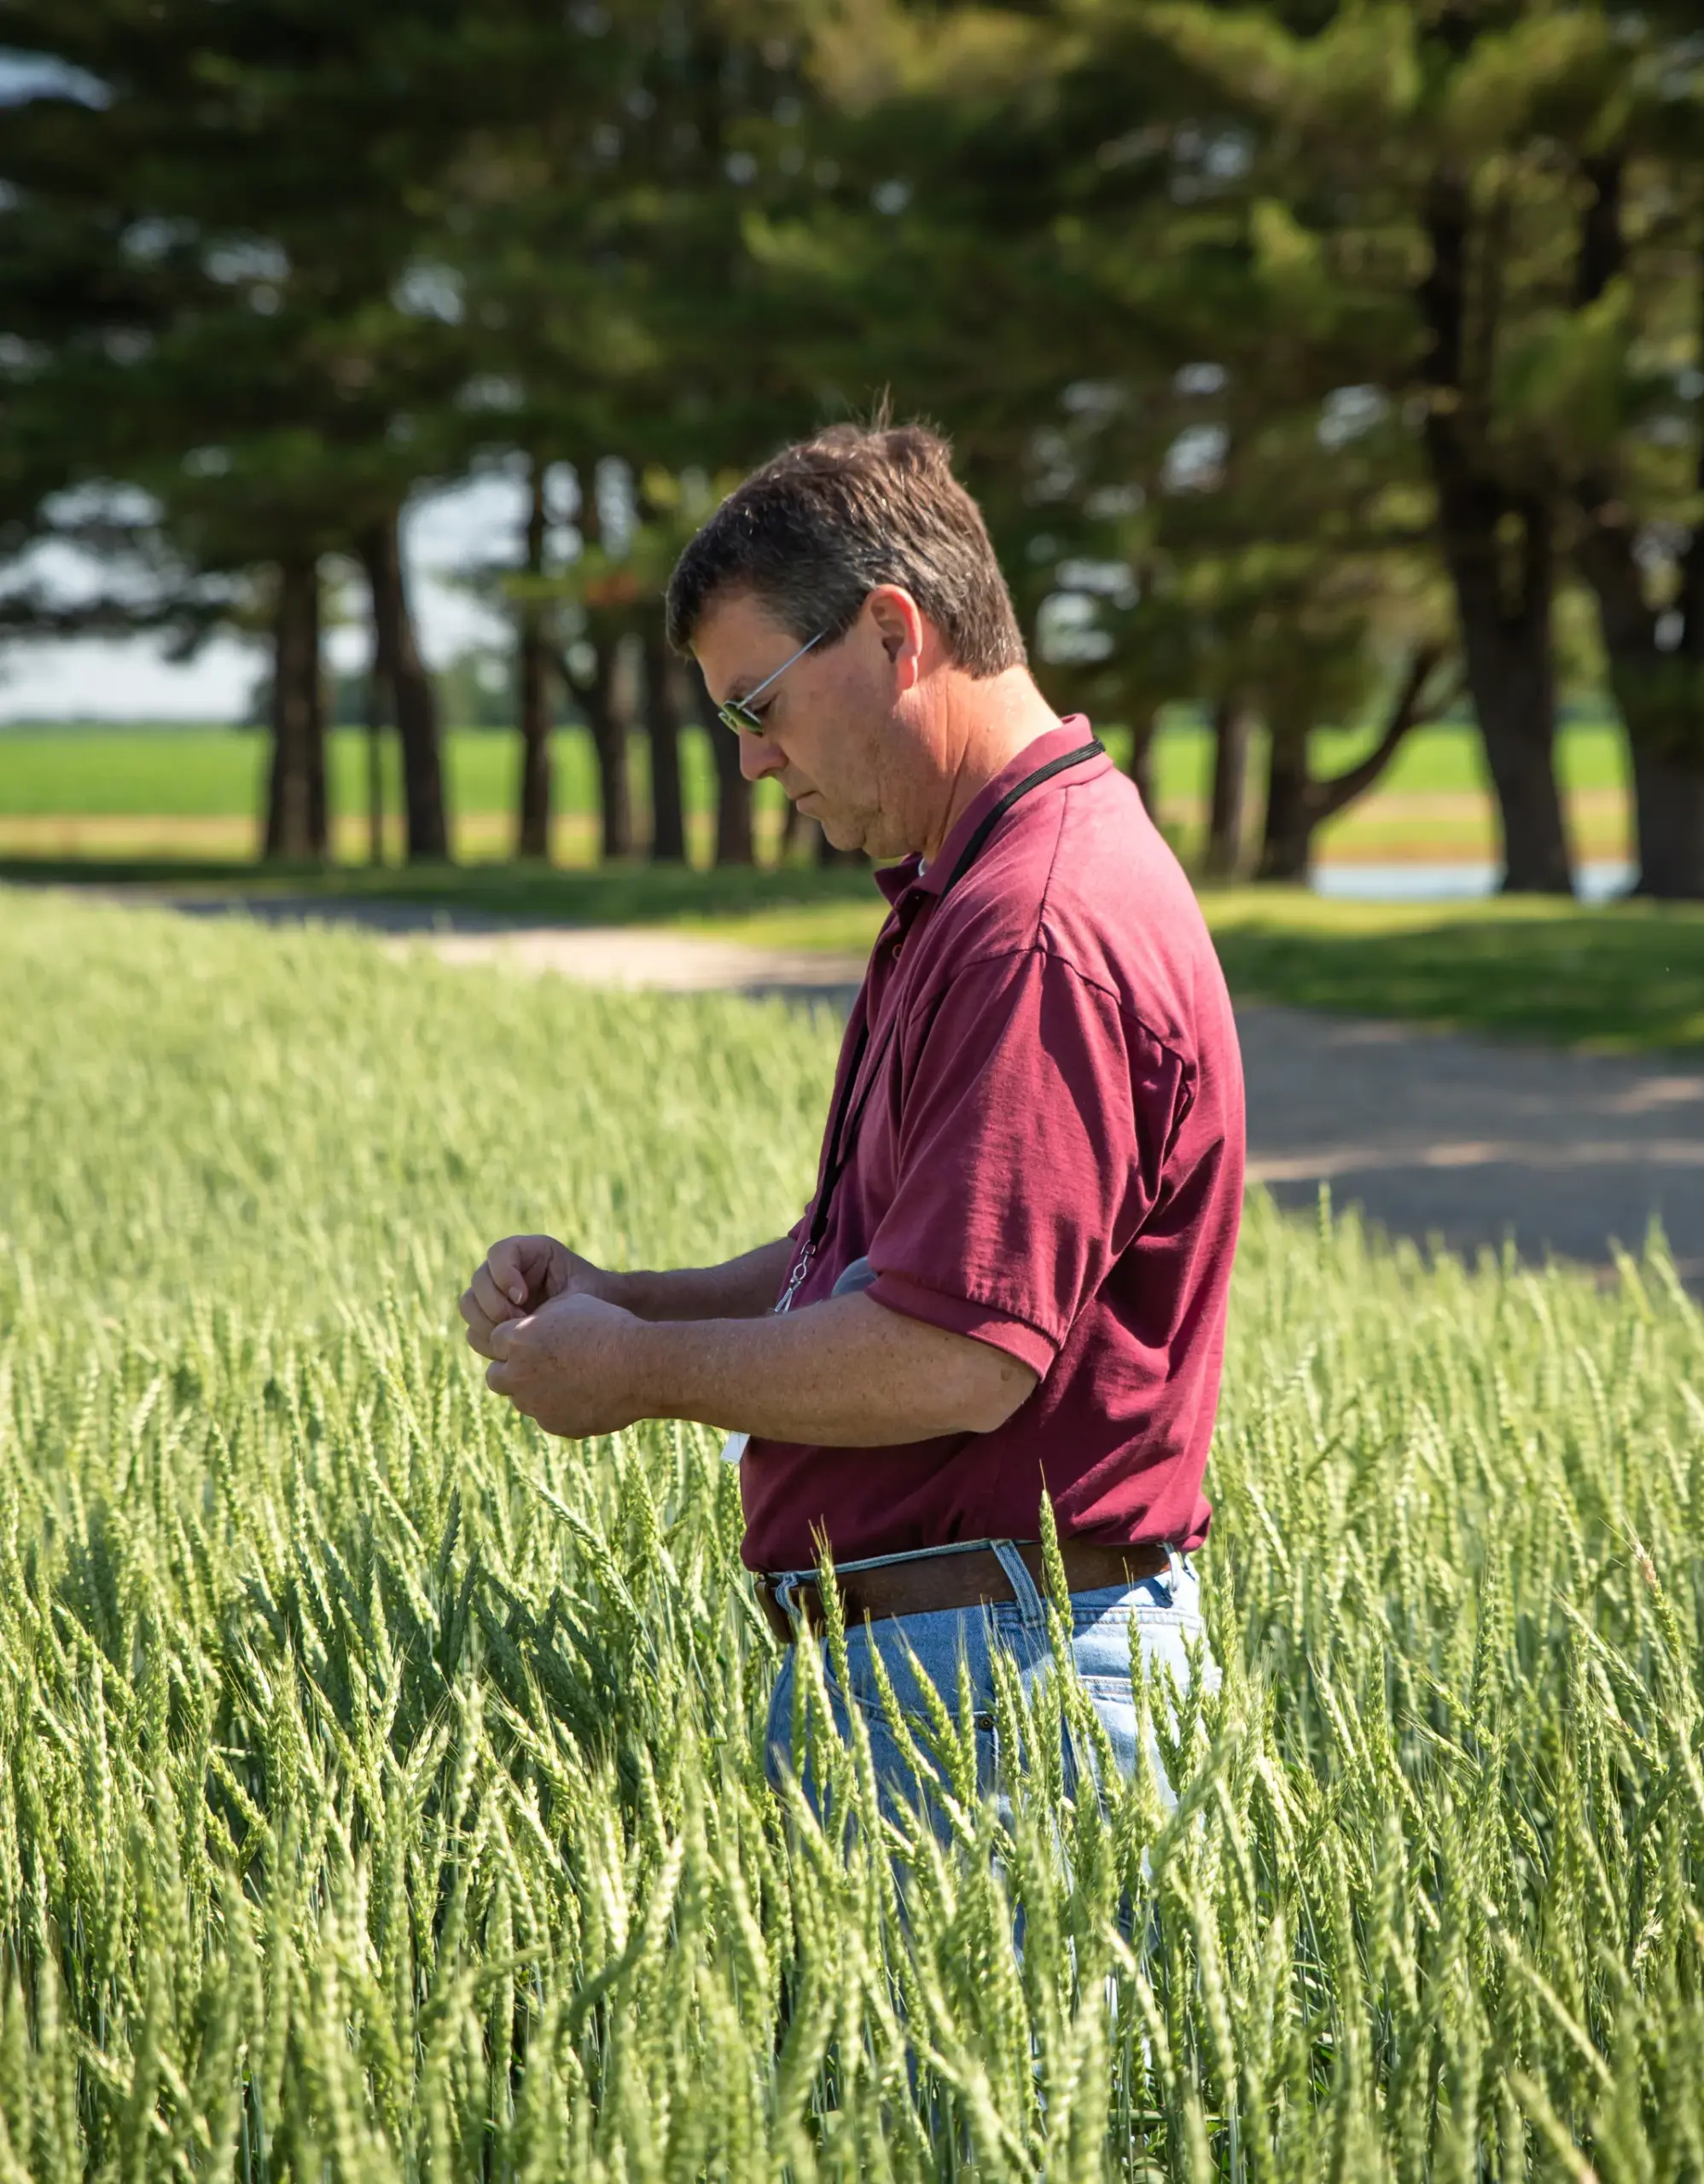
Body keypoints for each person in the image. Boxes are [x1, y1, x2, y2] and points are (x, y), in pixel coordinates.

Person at [459, 421, 1245, 1835]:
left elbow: (952, 1356)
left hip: (1003, 1693)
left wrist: (637, 1370)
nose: (751, 766)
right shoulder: (977, 888)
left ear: (894, 633)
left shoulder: (1034, 930)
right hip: (977, 1671)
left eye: (755, 706)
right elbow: (878, 1260)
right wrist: (627, 1297)